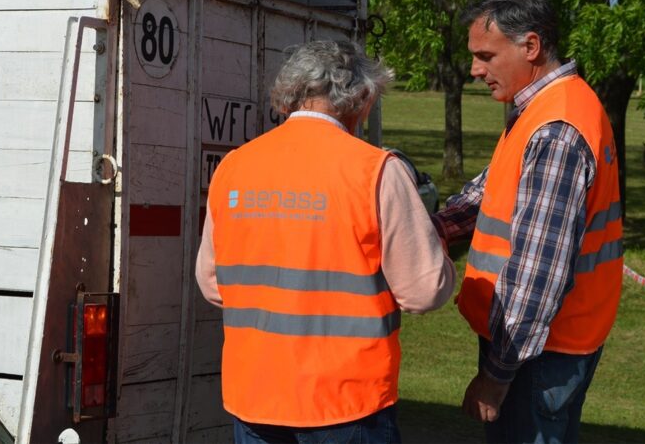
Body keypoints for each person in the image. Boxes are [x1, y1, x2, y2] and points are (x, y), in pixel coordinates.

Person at [195, 40, 456, 444]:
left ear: (291, 94)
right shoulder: (375, 171)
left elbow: (212, 284)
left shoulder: (234, 166)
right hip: (347, 402)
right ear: (362, 97)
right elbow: (424, 292)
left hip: (256, 396)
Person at [431, 0, 623, 442]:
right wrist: (430, 230)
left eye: (486, 56)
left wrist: (497, 377)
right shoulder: (545, 107)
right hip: (549, 346)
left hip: (535, 355)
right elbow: (491, 191)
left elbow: (538, 273)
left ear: (531, 46)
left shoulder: (556, 128)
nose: (475, 69)